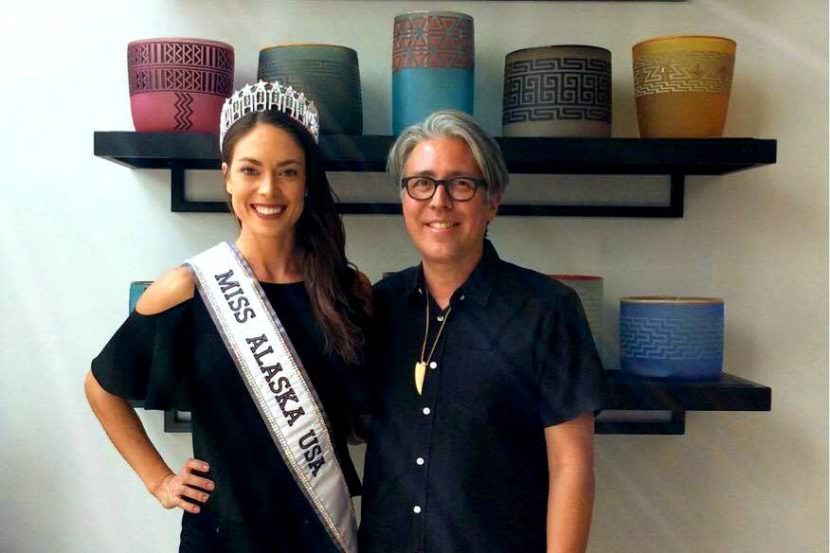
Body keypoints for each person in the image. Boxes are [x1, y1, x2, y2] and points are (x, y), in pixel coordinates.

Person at [85, 81, 368, 553]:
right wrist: (159, 481)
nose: (269, 189)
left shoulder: (347, 292)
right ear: (227, 178)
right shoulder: (187, 289)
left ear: (306, 182)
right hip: (221, 538)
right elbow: (101, 387)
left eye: (288, 172)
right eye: (250, 170)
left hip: (321, 533)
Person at [359, 110, 604, 553]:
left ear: (493, 200)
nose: (439, 201)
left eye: (461, 184)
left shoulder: (546, 310)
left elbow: (572, 465)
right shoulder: (379, 307)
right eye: (421, 182)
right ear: (404, 198)